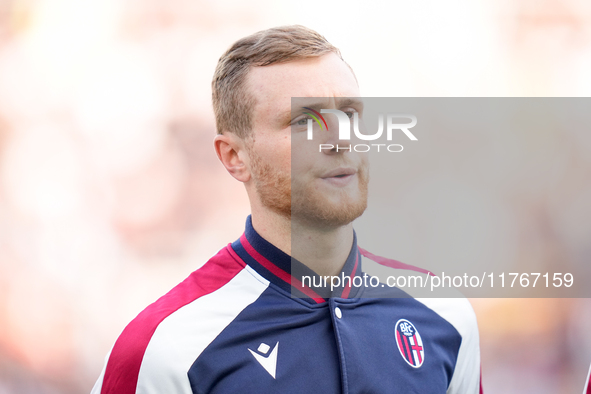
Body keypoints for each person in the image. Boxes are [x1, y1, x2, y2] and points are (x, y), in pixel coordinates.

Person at [91, 25, 482, 394]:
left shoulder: (444, 313)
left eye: (349, 114)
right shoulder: (166, 346)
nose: (340, 139)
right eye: (305, 120)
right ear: (234, 156)